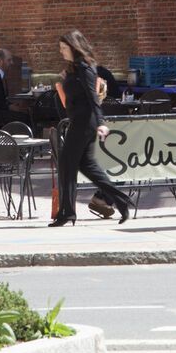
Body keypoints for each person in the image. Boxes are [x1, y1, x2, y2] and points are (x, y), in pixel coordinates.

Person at [49, 30, 133, 227]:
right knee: (88, 167)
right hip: (80, 122)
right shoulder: (73, 68)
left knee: (66, 165)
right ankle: (121, 201)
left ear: (73, 47)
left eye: (63, 48)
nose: (61, 52)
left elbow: (93, 98)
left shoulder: (86, 68)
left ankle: (67, 213)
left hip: (84, 123)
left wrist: (102, 123)